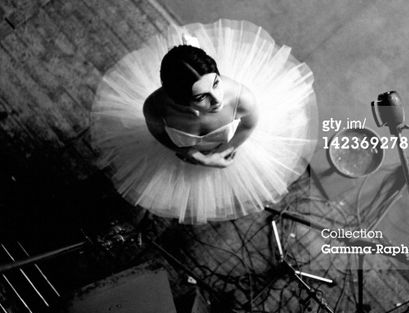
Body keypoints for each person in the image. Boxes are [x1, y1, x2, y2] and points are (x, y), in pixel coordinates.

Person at [91, 19, 318, 224]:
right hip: (190, 155)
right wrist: (195, 157)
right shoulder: (155, 108)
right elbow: (160, 136)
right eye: (201, 97)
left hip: (225, 152)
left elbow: (248, 125)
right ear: (178, 99)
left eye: (216, 83)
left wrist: (222, 154)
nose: (217, 99)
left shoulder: (243, 100)